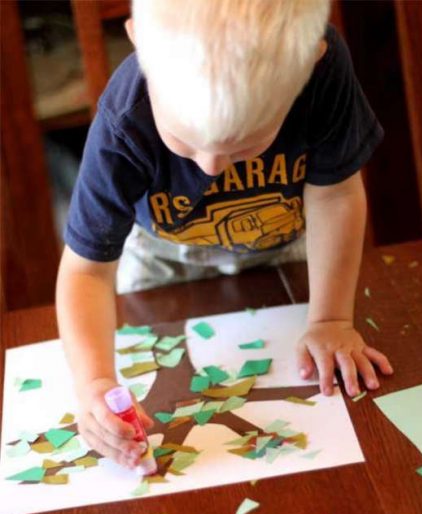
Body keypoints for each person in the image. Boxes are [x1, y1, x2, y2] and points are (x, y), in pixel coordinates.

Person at [56, 0, 393, 469]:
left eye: (246, 144)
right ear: (139, 42)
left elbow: (335, 197)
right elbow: (86, 271)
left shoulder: (323, 70)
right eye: (182, 139)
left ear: (309, 64)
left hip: (290, 249)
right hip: (163, 260)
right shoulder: (123, 122)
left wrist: (331, 321)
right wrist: (94, 383)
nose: (210, 167)